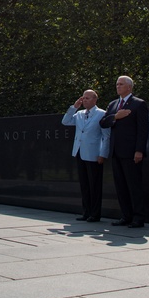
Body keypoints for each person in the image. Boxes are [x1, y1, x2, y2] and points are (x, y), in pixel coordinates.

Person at [99, 75, 149, 228]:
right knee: (120, 186)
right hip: (116, 152)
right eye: (117, 84)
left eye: (121, 84)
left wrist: (139, 150)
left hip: (131, 152)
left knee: (134, 186)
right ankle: (126, 216)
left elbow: (143, 130)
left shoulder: (138, 104)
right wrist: (116, 116)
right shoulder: (113, 105)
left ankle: (138, 217)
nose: (118, 86)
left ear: (129, 87)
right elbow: (103, 123)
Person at [61, 89, 111, 222]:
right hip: (79, 151)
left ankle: (95, 213)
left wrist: (103, 154)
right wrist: (74, 107)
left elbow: (106, 136)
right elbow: (65, 121)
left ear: (95, 100)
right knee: (84, 184)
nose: (85, 100)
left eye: (88, 98)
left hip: (94, 153)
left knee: (94, 184)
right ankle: (86, 211)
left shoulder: (102, 114)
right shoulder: (79, 114)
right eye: (83, 98)